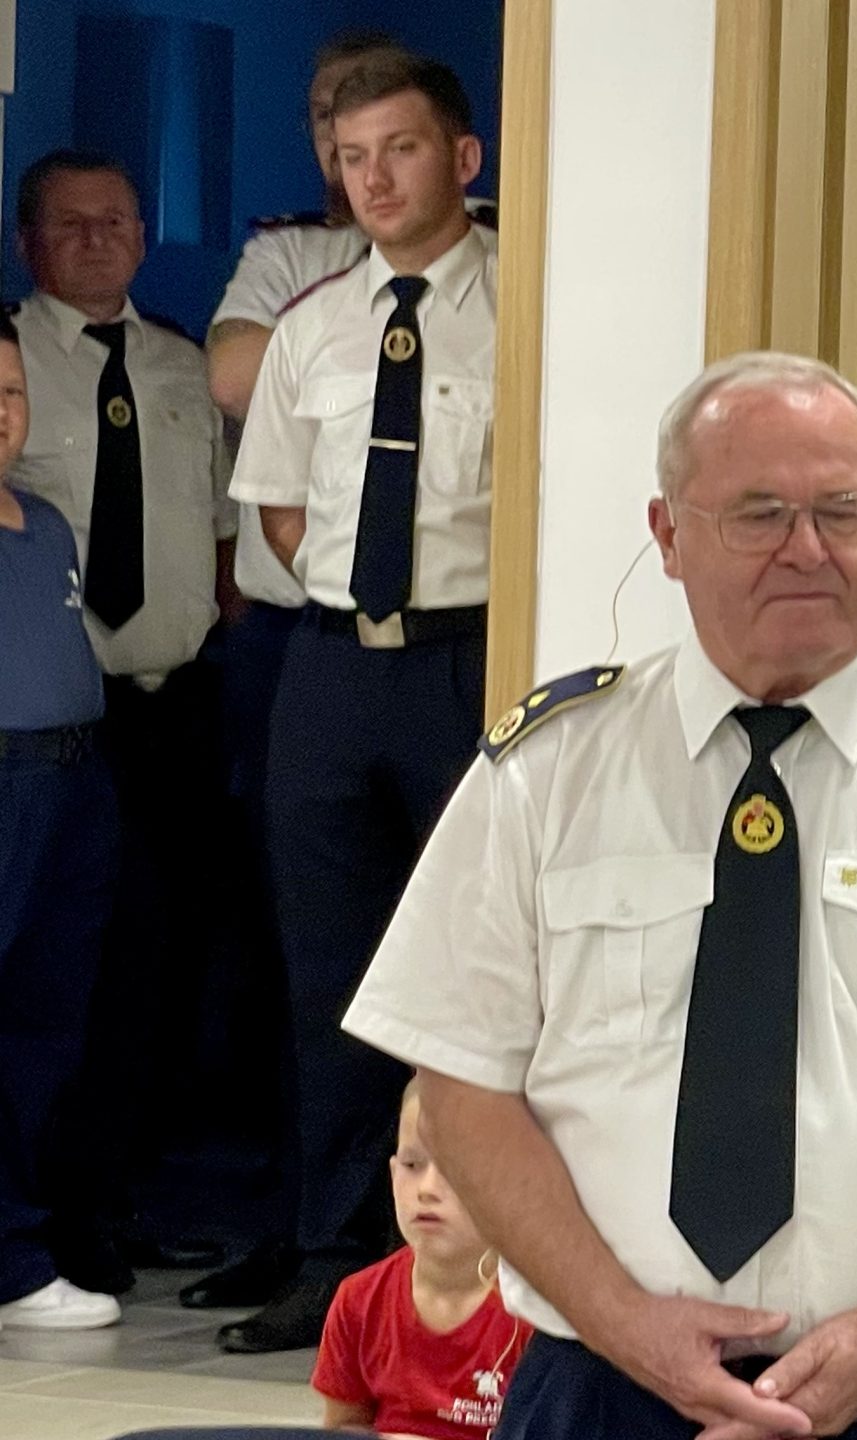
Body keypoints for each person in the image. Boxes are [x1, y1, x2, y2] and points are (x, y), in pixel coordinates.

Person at [338, 351, 857, 1440]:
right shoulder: (546, 770)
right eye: (761, 514)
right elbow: (462, 1087)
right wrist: (623, 1323)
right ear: (668, 535)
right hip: (601, 1385)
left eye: (842, 512)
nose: (807, 549)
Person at [222, 51, 497, 1355]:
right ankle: (338, 1265)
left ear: (463, 158)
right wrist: (360, 600)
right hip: (333, 671)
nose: (374, 179)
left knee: (479, 971)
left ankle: (479, 1261)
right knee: (328, 971)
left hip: (470, 662)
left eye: (402, 148)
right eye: (351, 157)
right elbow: (282, 511)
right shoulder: (315, 326)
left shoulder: (528, 312)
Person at [185, 25, 415, 1321]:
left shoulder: (502, 267)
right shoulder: (289, 261)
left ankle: (437, 1253)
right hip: (303, 647)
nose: (356, 155)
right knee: (304, 953)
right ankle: (315, 1240)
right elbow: (235, 382)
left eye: (386, 133)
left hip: (453, 650)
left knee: (446, 957)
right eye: (335, 123)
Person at [8, 147, 232, 1296]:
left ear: (144, 237)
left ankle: (114, 1199)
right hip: (55, 724)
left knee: (155, 968)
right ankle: (45, 1218)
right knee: (58, 976)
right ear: (27, 243)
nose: (98, 240)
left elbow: (224, 533)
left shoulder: (185, 365)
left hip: (175, 709)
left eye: (117, 221)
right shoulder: (10, 363)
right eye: (71, 223)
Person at [114, 1079, 524, 1439]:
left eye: (455, 1167)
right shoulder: (359, 1299)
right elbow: (344, 1428)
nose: (427, 1189)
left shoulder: (530, 1311)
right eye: (413, 1164)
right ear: (392, 1171)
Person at [0, 310, 122, 1333]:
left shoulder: (44, 525)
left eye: (9, 394)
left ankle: (31, 1236)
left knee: (48, 1027)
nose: (1, 415)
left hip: (73, 783)